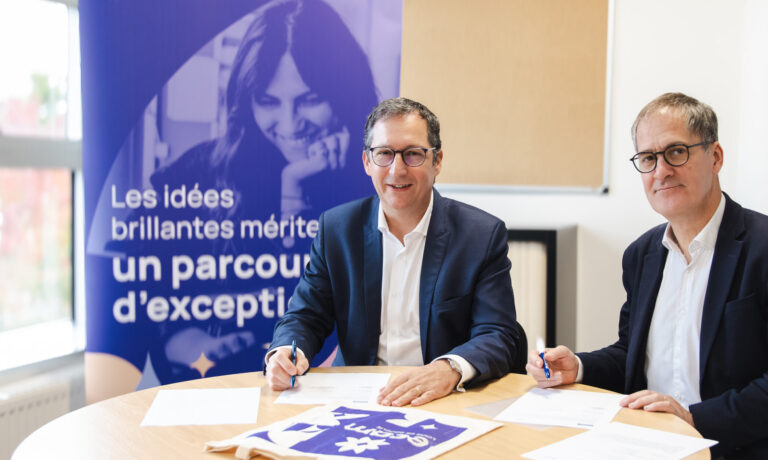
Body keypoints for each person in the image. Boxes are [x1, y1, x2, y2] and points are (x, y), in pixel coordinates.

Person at [123, 0, 379, 385]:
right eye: (268, 101)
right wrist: (178, 338)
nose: (289, 124)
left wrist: (295, 190)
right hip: (221, 385)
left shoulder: (377, 178)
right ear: (247, 101)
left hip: (337, 388)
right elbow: (133, 269)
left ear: (345, 94)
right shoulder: (199, 173)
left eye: (310, 99)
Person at [526, 92, 768, 458]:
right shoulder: (641, 255)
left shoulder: (761, 247)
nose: (661, 171)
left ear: (715, 156)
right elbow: (633, 354)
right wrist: (578, 366)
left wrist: (694, 419)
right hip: (647, 443)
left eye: (676, 152)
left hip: (731, 448)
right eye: (648, 158)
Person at [265, 97, 523, 406]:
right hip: (357, 401)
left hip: (442, 399)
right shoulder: (337, 229)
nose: (397, 170)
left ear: (437, 161)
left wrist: (450, 369)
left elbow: (498, 334)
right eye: (384, 154)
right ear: (367, 162)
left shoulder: (480, 235)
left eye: (413, 154)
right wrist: (286, 351)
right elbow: (306, 316)